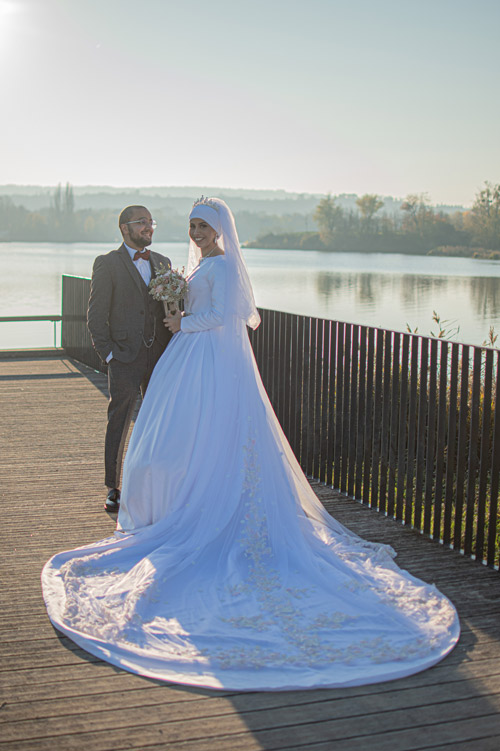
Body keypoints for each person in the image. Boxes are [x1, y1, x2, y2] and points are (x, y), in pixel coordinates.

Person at [42, 198, 459, 692]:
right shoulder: (189, 265)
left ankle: (200, 503)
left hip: (208, 357)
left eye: (203, 226)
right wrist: (172, 314)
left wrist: (183, 323)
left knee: (204, 433)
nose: (195, 232)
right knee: (165, 438)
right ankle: (154, 497)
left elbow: (227, 314)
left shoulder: (224, 267)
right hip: (184, 357)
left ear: (220, 230)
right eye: (192, 225)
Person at [87, 205, 172, 511]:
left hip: (160, 356)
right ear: (124, 228)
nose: (149, 227)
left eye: (151, 222)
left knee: (157, 421)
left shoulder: (163, 262)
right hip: (123, 357)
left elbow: (170, 307)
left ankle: (152, 483)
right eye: (142, 223)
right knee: (119, 421)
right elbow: (95, 316)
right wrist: (109, 354)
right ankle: (113, 487)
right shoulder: (107, 263)